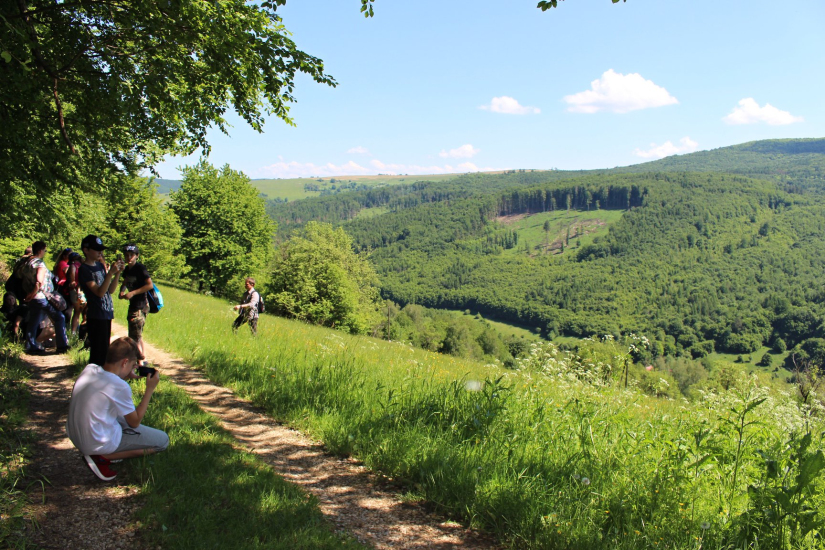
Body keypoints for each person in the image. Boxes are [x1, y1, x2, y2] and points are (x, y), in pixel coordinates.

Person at [66, 336, 168, 481]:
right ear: (125, 362)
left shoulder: (90, 369)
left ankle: (100, 453)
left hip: (77, 436)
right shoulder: (119, 386)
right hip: (96, 442)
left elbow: (110, 382)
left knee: (120, 415)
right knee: (162, 441)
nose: (133, 369)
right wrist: (149, 389)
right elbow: (135, 422)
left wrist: (124, 375)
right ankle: (102, 457)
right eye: (133, 365)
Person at [78, 235, 123, 366]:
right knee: (98, 352)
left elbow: (110, 290)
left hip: (106, 313)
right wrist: (110, 273)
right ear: (86, 250)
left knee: (105, 350)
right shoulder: (84, 269)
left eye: (101, 250)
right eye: (96, 249)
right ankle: (94, 379)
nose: (100, 253)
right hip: (96, 314)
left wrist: (117, 273)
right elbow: (99, 292)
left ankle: (100, 378)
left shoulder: (99, 266)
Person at [23, 241, 70, 355]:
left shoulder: (28, 262)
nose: (45, 252)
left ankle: (31, 346)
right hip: (40, 297)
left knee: (34, 321)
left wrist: (29, 295)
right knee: (59, 318)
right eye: (44, 250)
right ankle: (62, 345)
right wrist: (33, 294)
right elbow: (39, 281)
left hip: (34, 298)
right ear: (40, 250)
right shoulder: (39, 264)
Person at [118, 244, 153, 360]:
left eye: (131, 255)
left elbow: (149, 285)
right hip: (133, 305)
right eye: (126, 255)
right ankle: (142, 360)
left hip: (140, 305)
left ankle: (138, 364)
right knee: (137, 334)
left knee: (133, 338)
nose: (129, 257)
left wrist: (132, 293)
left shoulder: (140, 269)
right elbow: (125, 281)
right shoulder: (127, 269)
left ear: (137, 256)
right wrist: (122, 291)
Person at [65, 252, 86, 334]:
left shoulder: (72, 266)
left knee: (77, 312)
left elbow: (72, 280)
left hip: (74, 291)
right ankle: (82, 331)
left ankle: (73, 332)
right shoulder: (83, 266)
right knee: (84, 312)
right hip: (81, 291)